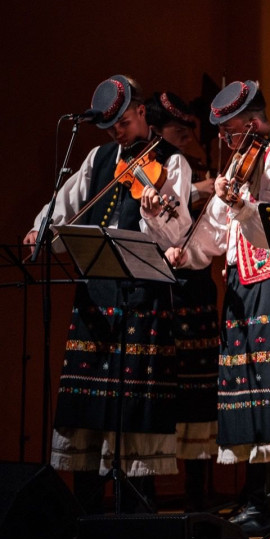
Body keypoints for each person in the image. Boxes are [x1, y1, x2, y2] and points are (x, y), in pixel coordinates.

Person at [23, 75, 192, 513]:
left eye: (123, 122)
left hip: (142, 297)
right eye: (110, 126)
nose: (117, 132)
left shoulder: (172, 163)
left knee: (133, 405)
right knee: (89, 404)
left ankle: (137, 514)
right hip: (96, 296)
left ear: (141, 111)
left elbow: (178, 233)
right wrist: (41, 228)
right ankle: (86, 513)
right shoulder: (99, 158)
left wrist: (154, 215)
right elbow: (67, 203)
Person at [165, 80, 270, 534]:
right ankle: (254, 495)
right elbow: (216, 229)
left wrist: (244, 205)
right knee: (247, 389)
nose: (224, 140)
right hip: (242, 284)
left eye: (228, 131)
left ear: (251, 122)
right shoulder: (240, 161)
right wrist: (188, 252)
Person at [145, 91, 220, 511]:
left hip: (193, 283)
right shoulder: (162, 163)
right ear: (157, 131)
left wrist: (203, 190)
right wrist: (194, 191)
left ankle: (197, 495)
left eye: (189, 130)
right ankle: (150, 495)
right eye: (180, 131)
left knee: (197, 388)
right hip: (164, 287)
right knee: (163, 388)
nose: (188, 138)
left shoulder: (183, 163)